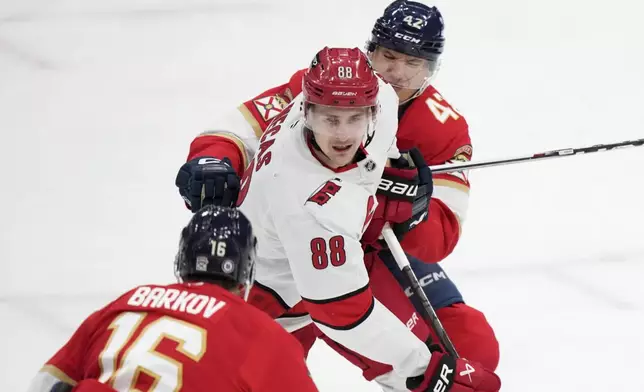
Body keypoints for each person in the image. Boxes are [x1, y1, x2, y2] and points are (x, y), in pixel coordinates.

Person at [175, 0, 500, 377]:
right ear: (370, 51)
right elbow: (245, 124)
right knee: (251, 371)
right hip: (290, 250)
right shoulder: (334, 86)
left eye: (414, 64)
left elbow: (441, 236)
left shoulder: (443, 128)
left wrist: (412, 212)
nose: (396, 74)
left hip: (372, 250)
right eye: (389, 56)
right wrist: (214, 157)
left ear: (432, 69)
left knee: (468, 346)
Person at [27, 206, 319, 392]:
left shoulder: (127, 303)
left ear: (182, 260)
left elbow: (47, 383)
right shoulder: (260, 332)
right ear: (247, 271)